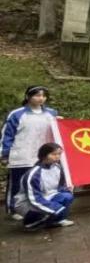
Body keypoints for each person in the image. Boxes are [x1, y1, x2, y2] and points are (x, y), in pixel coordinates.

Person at [3, 85, 59, 219]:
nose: (41, 98)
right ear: (28, 96)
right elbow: (7, 135)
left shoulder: (51, 113)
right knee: (17, 183)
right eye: (37, 95)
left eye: (44, 96)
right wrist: (5, 153)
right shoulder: (17, 114)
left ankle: (38, 208)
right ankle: (13, 209)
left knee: (39, 182)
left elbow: (57, 132)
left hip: (43, 154)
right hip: (21, 153)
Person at [19, 142, 75, 229]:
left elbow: (59, 186)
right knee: (58, 208)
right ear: (44, 155)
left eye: (59, 154)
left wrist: (66, 189)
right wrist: (55, 208)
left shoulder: (57, 167)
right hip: (30, 202)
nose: (57, 157)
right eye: (53, 154)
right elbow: (34, 199)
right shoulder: (34, 174)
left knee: (67, 196)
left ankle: (55, 221)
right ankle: (32, 222)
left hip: (47, 196)